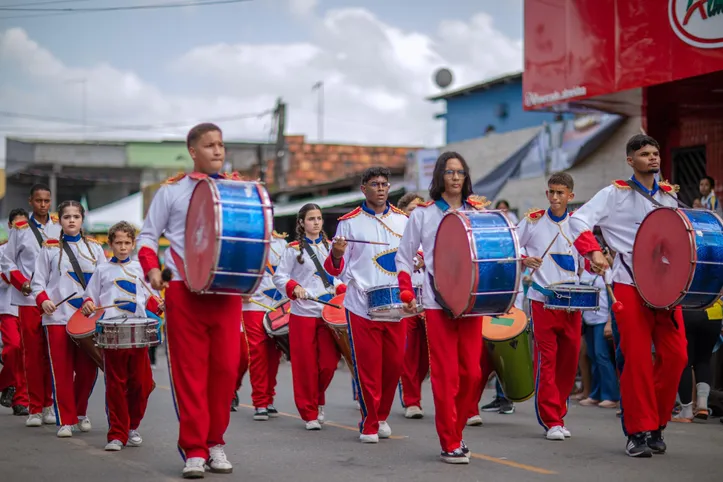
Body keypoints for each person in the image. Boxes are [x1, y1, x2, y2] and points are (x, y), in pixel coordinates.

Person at [568, 134, 687, 457]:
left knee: (677, 356)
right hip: (628, 285)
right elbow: (577, 219)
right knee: (635, 361)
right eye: (645, 153)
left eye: (656, 152)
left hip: (665, 289)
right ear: (630, 160)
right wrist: (593, 251)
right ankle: (638, 431)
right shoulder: (613, 194)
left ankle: (657, 422)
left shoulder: (669, 199)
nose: (653, 158)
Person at [137, 123, 243, 478]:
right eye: (209, 145)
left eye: (221, 145)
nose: (218, 150)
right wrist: (152, 269)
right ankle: (196, 448)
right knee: (190, 373)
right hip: (183, 289)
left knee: (227, 370)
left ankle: (216, 440)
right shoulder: (172, 192)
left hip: (226, 291)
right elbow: (148, 237)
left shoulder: (237, 190)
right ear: (193, 151)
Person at [397, 151, 489, 464]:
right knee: (446, 375)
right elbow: (403, 256)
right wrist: (407, 290)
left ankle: (457, 430)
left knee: (473, 375)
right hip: (437, 305)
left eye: (460, 172)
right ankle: (449, 440)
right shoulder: (422, 214)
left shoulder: (477, 212)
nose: (455, 177)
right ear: (440, 176)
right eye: (449, 172)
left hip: (472, 304)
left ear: (466, 177)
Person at [324, 167, 409, 443]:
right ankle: (369, 422)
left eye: (385, 183)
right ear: (364, 188)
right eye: (375, 184)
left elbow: (414, 257)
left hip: (397, 305)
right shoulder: (348, 223)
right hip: (362, 304)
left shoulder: (403, 220)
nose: (381, 188)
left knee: (394, 366)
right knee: (368, 367)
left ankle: (381, 414)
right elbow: (335, 270)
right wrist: (336, 253)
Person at [512, 172, 584, 441]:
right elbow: (512, 245)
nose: (555, 197)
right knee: (548, 359)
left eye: (560, 193)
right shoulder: (532, 221)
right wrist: (524, 258)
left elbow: (586, 259)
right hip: (542, 300)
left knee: (570, 360)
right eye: (551, 192)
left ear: (570, 196)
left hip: (573, 302)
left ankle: (559, 412)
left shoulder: (578, 223)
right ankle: (551, 419)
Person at [81, 221, 163, 451]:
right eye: (118, 243)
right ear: (111, 244)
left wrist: (161, 306)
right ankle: (117, 434)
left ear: (134, 244)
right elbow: (90, 298)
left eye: (127, 242)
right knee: (116, 384)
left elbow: (151, 300)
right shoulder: (102, 270)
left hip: (138, 332)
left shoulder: (141, 270)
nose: (123, 247)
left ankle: (132, 426)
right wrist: (88, 305)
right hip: (111, 332)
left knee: (143, 384)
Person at [31, 200, 105, 438]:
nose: (71, 220)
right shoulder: (50, 248)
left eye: (76, 216)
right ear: (60, 220)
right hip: (58, 318)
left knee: (88, 370)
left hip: (87, 320)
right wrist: (43, 300)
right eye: (66, 217)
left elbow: (104, 281)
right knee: (61, 371)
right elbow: (38, 281)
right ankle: (66, 418)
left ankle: (80, 411)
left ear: (82, 219)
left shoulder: (95, 248)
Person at [272, 203, 343, 430]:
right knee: (305, 367)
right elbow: (279, 277)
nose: (316, 222)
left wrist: (341, 287)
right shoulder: (293, 249)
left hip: (327, 312)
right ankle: (309, 413)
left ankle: (318, 397)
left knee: (328, 365)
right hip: (303, 313)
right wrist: (294, 287)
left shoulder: (332, 247)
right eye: (311, 218)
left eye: (319, 218)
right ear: (302, 223)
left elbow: (340, 275)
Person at [1, 183, 61, 427]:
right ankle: (35, 408)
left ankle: (49, 404)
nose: (43, 205)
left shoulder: (59, 226)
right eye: (38, 201)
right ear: (30, 202)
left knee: (52, 353)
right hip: (27, 300)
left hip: (54, 300)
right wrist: (21, 283)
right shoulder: (21, 229)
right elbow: (7, 261)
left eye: (47, 201)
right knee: (33, 354)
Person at [242, 228, 287, 420]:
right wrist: (241, 289)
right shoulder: (245, 242)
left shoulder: (282, 244)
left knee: (274, 352)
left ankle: (269, 397)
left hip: (278, 306)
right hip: (252, 304)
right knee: (258, 351)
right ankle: (260, 401)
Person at [395, 192, 429, 419]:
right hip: (406, 300)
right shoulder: (397, 233)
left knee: (427, 357)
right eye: (411, 210)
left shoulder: (431, 233)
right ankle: (412, 400)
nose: (416, 214)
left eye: (420, 210)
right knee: (408, 355)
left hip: (429, 300)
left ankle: (411, 388)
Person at [579, 249, 620, 410]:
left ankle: (611, 395)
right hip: (588, 320)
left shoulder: (608, 272)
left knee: (602, 356)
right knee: (593, 356)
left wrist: (610, 322)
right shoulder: (584, 272)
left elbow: (612, 297)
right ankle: (596, 393)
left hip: (602, 319)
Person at [670, 300, 722, 422]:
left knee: (685, 362)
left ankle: (686, 411)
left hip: (687, 311)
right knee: (704, 360)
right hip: (714, 314)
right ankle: (702, 406)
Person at [0, 209, 30, 416]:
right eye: (18, 225)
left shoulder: (35, 250)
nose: (21, 229)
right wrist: (12, 277)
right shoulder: (2, 251)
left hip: (30, 307)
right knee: (13, 348)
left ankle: (20, 399)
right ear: (10, 226)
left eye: (25, 225)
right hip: (8, 308)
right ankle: (7, 383)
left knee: (26, 354)